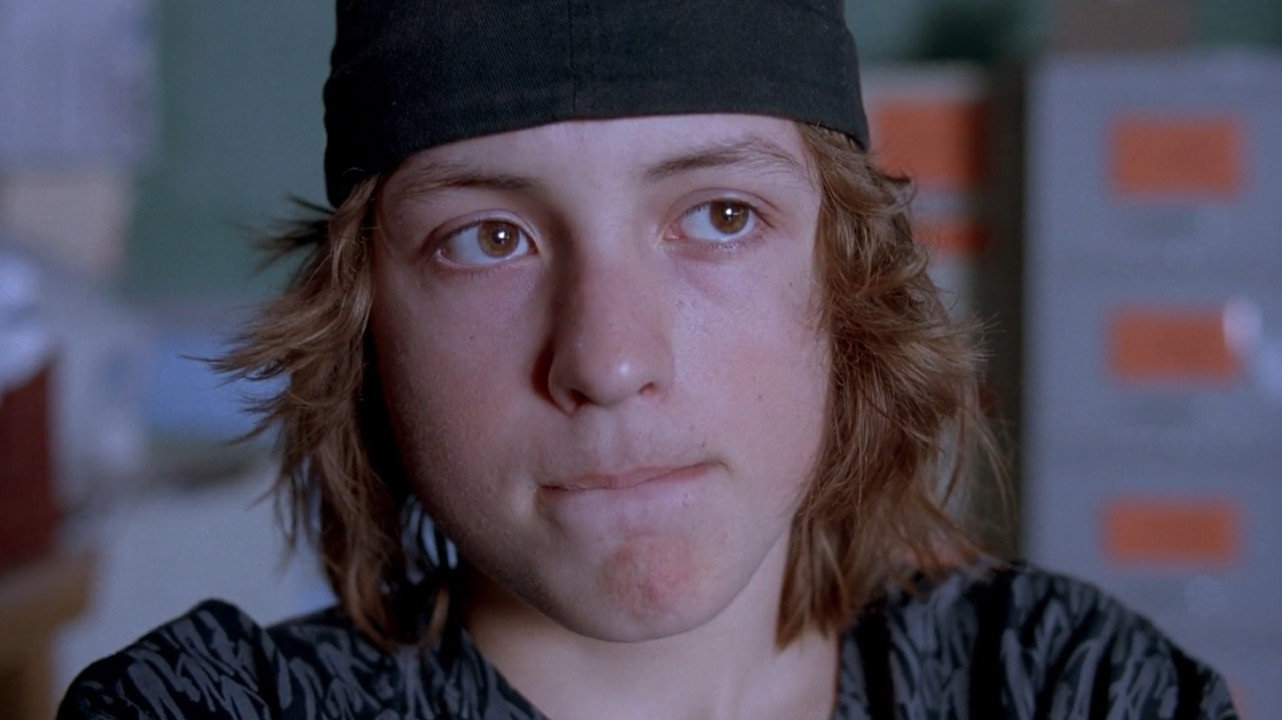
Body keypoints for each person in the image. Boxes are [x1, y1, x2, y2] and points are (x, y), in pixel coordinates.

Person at [60, 2, 1238, 718]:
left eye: (720, 216)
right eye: (487, 239)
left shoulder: (1071, 689)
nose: (609, 361)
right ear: (364, 327)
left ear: (850, 287)